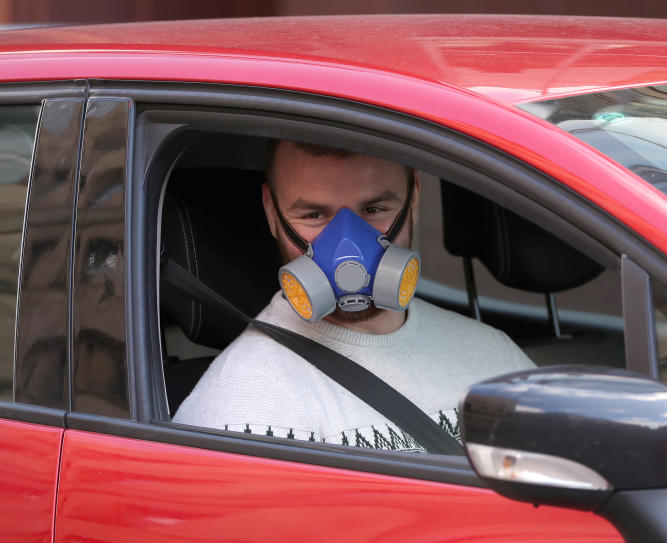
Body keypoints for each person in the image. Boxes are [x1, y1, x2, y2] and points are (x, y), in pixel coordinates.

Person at [173, 140, 535, 451]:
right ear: (271, 212)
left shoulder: (493, 356)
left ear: (414, 199)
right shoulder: (244, 404)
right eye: (314, 215)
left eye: (374, 210)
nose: (349, 248)